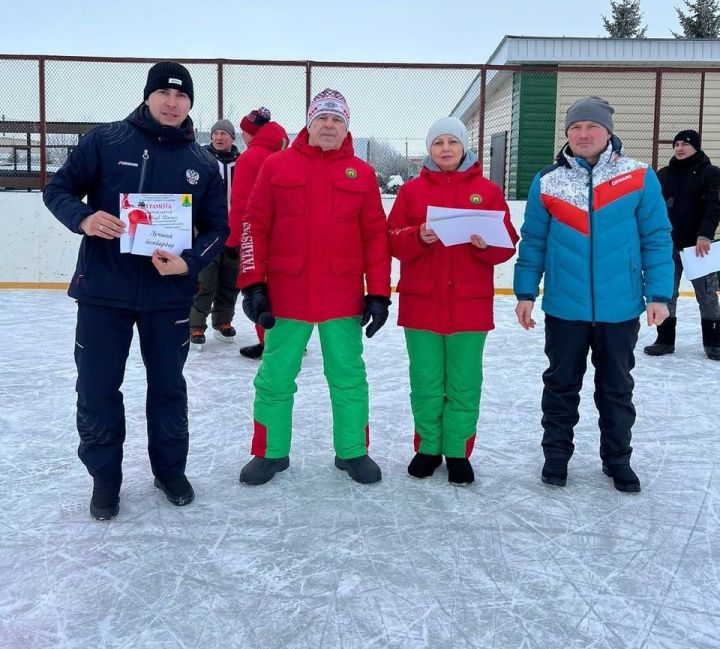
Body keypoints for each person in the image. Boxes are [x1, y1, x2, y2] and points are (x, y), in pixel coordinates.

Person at [43, 61, 229, 521]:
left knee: (169, 387)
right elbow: (58, 189)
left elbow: (217, 228)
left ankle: (169, 470)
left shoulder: (202, 163)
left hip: (167, 297)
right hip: (103, 291)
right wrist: (83, 219)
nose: (172, 103)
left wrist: (189, 262)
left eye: (181, 96)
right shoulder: (105, 141)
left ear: (190, 103)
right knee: (98, 387)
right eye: (164, 93)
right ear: (147, 96)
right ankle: (105, 479)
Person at [513, 96, 673, 493]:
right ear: (567, 133)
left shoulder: (637, 176)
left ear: (607, 132)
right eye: (575, 128)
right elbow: (533, 240)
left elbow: (656, 237)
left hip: (620, 309)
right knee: (561, 384)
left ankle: (617, 459)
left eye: (592, 127)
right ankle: (556, 457)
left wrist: (659, 294)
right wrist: (525, 291)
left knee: (616, 388)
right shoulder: (547, 180)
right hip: (565, 307)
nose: (583, 134)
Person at [236, 88, 391, 485]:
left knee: (349, 377)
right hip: (287, 294)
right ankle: (270, 452)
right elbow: (255, 225)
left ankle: (353, 451)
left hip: (342, 296)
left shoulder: (362, 173)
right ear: (308, 123)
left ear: (346, 128)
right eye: (322, 118)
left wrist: (378, 294)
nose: (329, 125)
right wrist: (253, 284)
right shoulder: (277, 165)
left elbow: (375, 236)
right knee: (274, 377)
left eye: (337, 119)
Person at [387, 117, 518, 485]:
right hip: (422, 305)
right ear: (430, 149)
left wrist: (486, 244)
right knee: (426, 381)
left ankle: (458, 452)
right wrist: (417, 235)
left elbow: (507, 243)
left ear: (465, 148)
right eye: (438, 142)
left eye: (453, 142)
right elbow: (392, 239)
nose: (446, 148)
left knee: (464, 383)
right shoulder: (411, 192)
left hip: (469, 307)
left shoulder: (487, 190)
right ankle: (428, 448)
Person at [644, 129, 720, 360]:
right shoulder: (664, 174)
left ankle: (714, 343)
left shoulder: (711, 173)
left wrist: (705, 235)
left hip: (699, 247)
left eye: (685, 144)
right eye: (676, 144)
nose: (679, 148)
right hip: (667, 245)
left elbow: (714, 207)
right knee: (667, 294)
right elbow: (653, 208)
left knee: (707, 295)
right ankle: (665, 340)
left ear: (695, 147)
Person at [226, 106, 289, 359]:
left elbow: (241, 203)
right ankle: (290, 338)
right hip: (288, 235)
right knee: (285, 288)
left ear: (251, 133)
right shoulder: (288, 153)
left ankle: (269, 342)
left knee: (258, 289)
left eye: (243, 132)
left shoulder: (250, 158)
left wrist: (232, 240)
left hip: (258, 234)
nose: (242, 136)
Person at [189, 119, 241, 347]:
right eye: (215, 134)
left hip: (235, 232)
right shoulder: (200, 159)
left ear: (232, 138)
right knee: (205, 279)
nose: (218, 138)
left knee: (231, 280)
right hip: (207, 231)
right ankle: (196, 325)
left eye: (224, 134)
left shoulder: (242, 162)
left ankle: (223, 321)